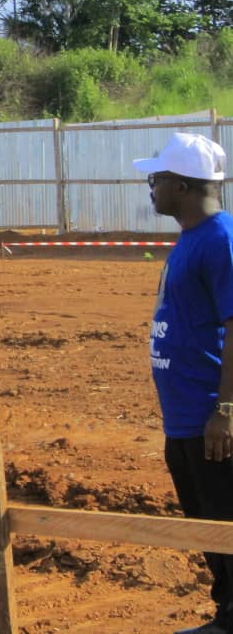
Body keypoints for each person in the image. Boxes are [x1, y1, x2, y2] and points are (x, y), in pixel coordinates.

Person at [133, 132, 233, 634]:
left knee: (225, 519)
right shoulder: (193, 237)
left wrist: (227, 410)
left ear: (184, 185)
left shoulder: (222, 240)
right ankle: (226, 613)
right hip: (186, 415)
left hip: (210, 417)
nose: (151, 187)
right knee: (207, 522)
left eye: (158, 179)